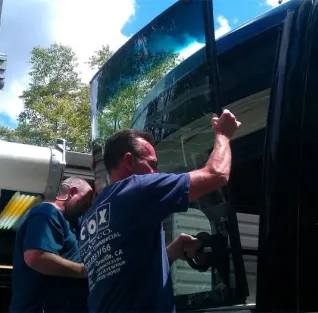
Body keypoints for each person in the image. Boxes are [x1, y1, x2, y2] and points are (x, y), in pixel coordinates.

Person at [79, 109, 241, 313]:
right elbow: (217, 174)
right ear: (129, 162)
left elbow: (124, 275)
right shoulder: (136, 188)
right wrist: (223, 135)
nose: (157, 173)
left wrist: (169, 253)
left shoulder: (91, 218)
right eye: (153, 165)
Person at [10, 177, 94, 313]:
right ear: (72, 192)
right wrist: (84, 271)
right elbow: (37, 257)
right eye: (85, 202)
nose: (86, 208)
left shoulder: (74, 223)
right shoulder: (46, 213)